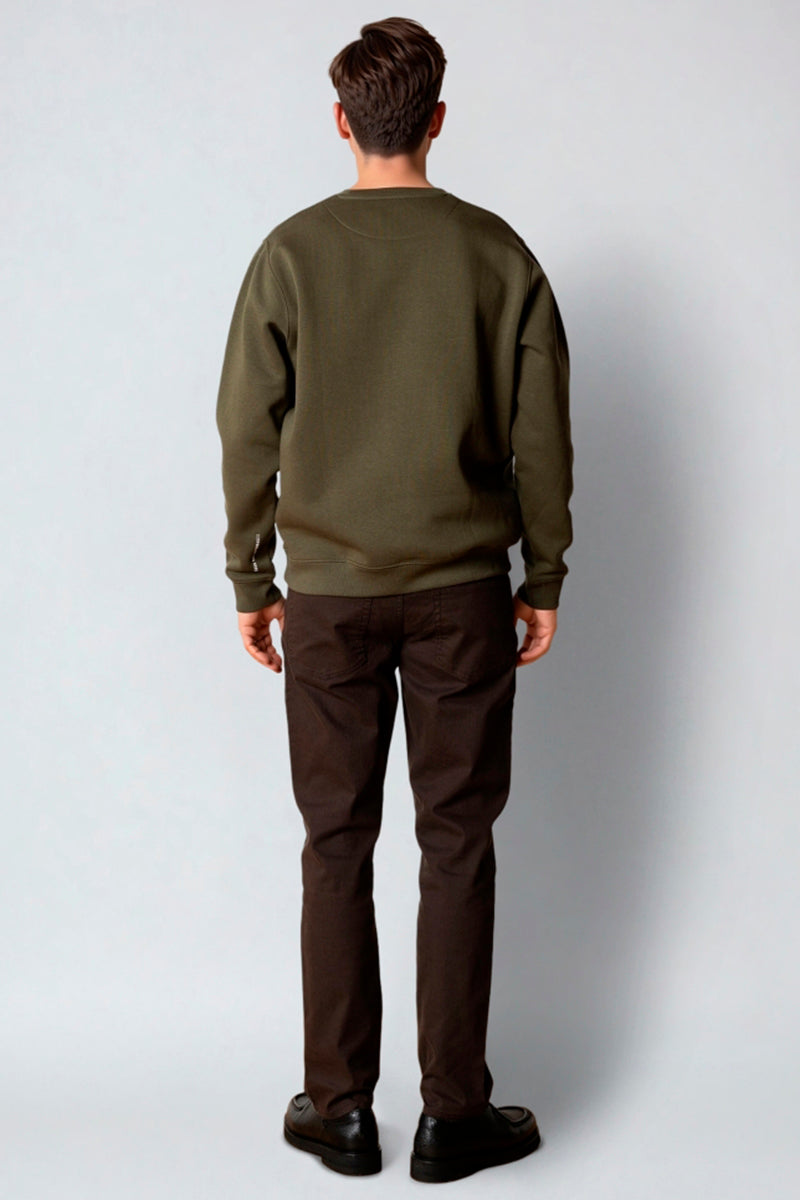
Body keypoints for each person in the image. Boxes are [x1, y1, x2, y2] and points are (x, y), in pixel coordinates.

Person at [215, 15, 574, 1184]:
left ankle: (338, 1110)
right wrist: (542, 575)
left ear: (340, 122)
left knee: (334, 843)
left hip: (325, 597)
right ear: (436, 120)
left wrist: (252, 577)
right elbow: (540, 434)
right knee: (455, 843)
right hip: (462, 593)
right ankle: (452, 1116)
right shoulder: (494, 253)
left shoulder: (290, 253)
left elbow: (244, 429)